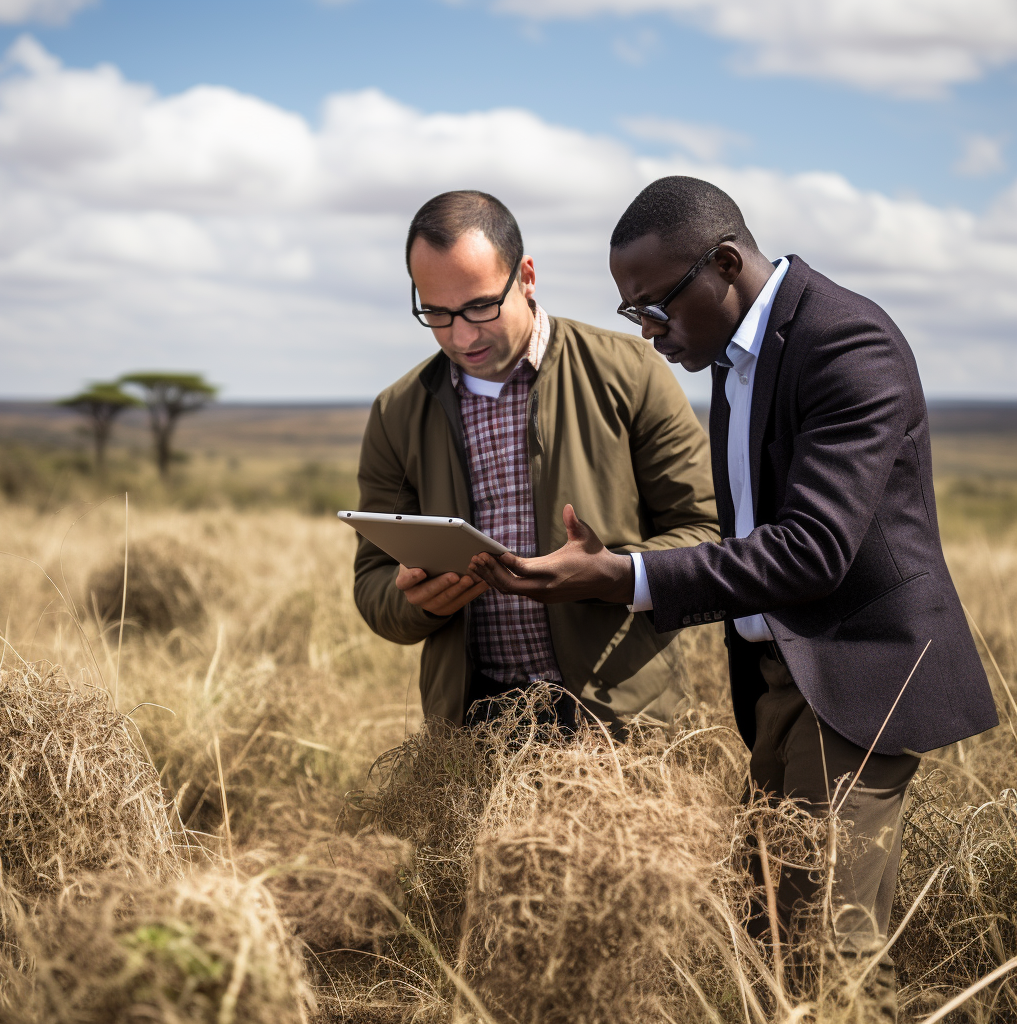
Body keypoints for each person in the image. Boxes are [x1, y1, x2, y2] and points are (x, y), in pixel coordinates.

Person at [468, 177, 998, 1015]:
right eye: (631, 315)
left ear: (723, 264)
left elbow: (813, 550)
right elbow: (750, 532)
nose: (648, 335)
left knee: (835, 949)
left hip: (860, 680)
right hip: (781, 676)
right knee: (767, 931)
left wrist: (627, 577)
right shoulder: (734, 355)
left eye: (655, 309)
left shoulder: (845, 340)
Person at [352, 189, 719, 731]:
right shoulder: (396, 411)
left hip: (621, 727)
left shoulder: (632, 371)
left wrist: (613, 575)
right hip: (469, 730)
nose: (461, 333)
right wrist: (419, 603)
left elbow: (708, 531)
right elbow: (373, 583)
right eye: (435, 312)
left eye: (480, 306)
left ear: (525, 276)